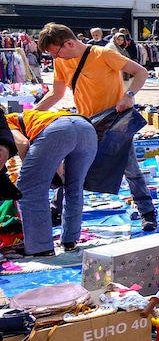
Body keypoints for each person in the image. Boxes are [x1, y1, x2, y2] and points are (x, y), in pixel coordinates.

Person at [35, 23, 159, 232]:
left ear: (69, 43)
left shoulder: (103, 54)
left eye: (56, 52)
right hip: (84, 123)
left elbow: (141, 72)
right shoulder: (61, 63)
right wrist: (32, 114)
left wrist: (128, 95)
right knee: (71, 168)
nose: (55, 58)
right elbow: (56, 94)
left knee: (130, 168)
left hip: (114, 122)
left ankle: (146, 211)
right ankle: (57, 211)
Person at [6, 109, 97, 256]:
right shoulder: (33, 116)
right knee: (74, 186)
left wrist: (31, 170)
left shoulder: (5, 121)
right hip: (86, 128)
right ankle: (70, 240)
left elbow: (22, 143)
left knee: (29, 189)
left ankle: (40, 247)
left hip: (57, 131)